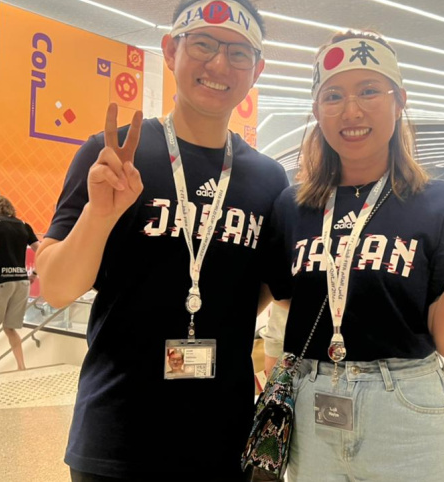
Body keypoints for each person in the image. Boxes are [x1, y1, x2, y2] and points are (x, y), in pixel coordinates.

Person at [35, 1, 288, 480]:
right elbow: (55, 288)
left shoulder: (268, 179)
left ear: (257, 70)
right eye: (204, 45)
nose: (219, 64)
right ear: (171, 51)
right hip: (117, 433)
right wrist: (99, 215)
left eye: (238, 53)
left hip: (224, 436)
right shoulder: (112, 155)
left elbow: (257, 290)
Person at [260, 30, 444, 480]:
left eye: (369, 91)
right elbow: (286, 300)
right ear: (316, 111)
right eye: (333, 96)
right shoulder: (293, 205)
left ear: (399, 101)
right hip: (313, 405)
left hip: (404, 408)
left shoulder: (441, 203)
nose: (352, 111)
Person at [0, 196, 40, 375]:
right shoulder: (24, 225)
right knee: (10, 328)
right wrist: (35, 273)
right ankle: (21, 367)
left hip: (0, 282)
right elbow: (42, 250)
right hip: (22, 282)